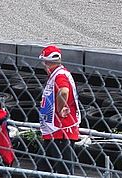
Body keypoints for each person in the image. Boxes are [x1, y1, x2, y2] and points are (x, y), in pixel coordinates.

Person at [39, 45, 80, 175]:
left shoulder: (60, 75)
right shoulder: (57, 74)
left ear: (46, 62)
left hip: (61, 132)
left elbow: (64, 91)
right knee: (43, 168)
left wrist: (59, 108)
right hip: (53, 131)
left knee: (62, 171)